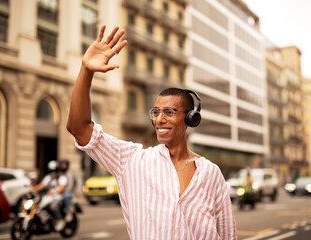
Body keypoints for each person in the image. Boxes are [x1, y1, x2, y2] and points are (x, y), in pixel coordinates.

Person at [67, 25, 237, 239]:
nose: (159, 119)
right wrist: (86, 70)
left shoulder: (212, 174)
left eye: (169, 112)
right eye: (155, 112)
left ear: (190, 118)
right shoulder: (131, 160)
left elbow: (227, 234)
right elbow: (79, 129)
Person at [32, 160, 68, 231]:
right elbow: (41, 185)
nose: (53, 172)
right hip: (48, 197)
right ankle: (43, 220)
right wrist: (32, 190)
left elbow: (61, 187)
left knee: (54, 206)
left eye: (55, 170)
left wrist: (53, 192)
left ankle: (60, 220)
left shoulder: (62, 177)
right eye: (51, 170)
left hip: (58, 197)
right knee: (38, 206)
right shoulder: (48, 177)